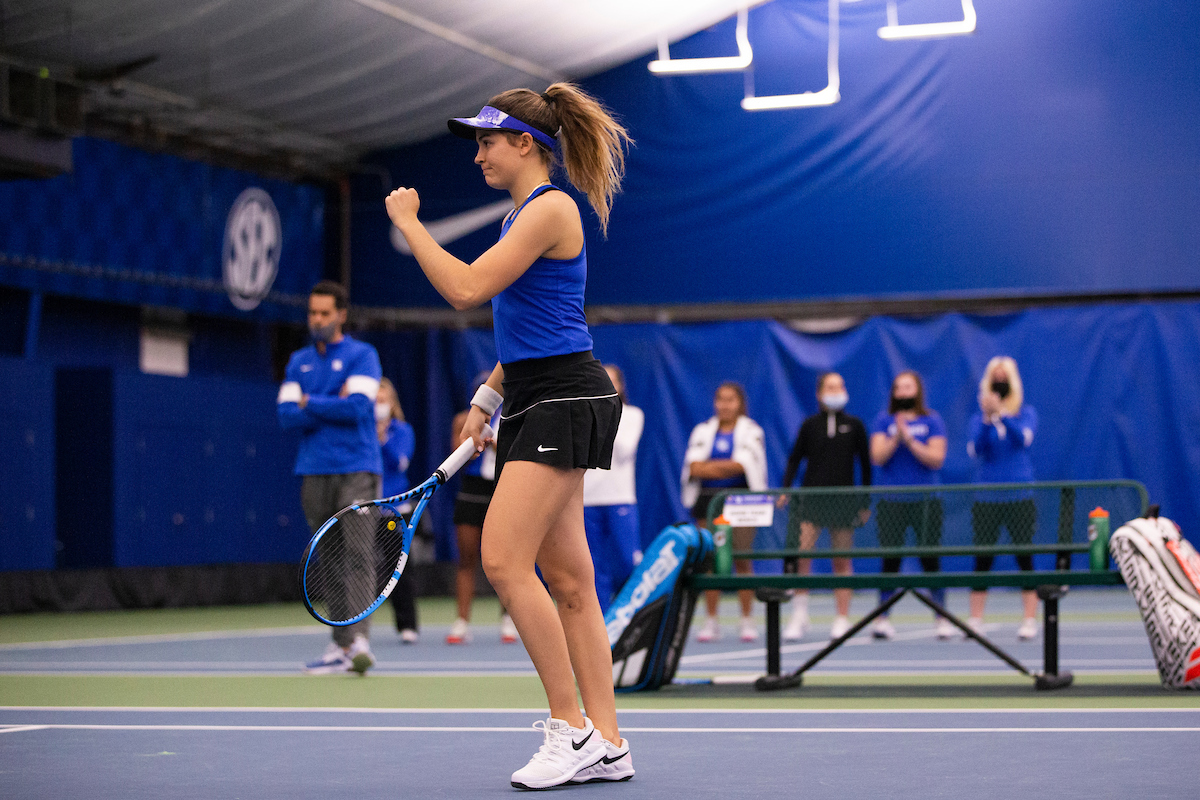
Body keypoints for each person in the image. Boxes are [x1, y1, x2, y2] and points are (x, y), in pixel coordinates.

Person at [385, 82, 632, 789]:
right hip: (535, 394)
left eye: (486, 141)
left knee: (501, 560)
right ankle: (609, 743)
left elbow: (466, 290)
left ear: (526, 143)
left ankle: (571, 729)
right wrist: (489, 397)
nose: (478, 156)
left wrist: (409, 222)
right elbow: (531, 323)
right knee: (571, 581)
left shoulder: (550, 208)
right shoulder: (528, 214)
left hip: (562, 397)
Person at [277, 280, 382, 675]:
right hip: (312, 471)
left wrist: (309, 401)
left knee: (358, 556)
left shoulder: (363, 355)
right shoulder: (297, 361)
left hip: (356, 469)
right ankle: (339, 646)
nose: (316, 319)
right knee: (330, 558)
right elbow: (286, 415)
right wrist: (328, 403)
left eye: (324, 313)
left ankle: (360, 642)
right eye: (312, 312)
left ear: (341, 315)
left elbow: (357, 408)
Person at [779, 372, 872, 641]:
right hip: (811, 500)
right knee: (803, 554)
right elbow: (795, 459)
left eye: (840, 386)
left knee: (841, 559)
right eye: (830, 387)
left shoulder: (855, 426)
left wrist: (864, 502)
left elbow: (865, 466)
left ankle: (842, 618)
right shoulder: (809, 425)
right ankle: (799, 615)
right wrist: (786, 489)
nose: (836, 391)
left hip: (843, 501)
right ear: (819, 394)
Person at [869, 370, 953, 640]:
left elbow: (936, 458)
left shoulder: (932, 420)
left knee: (930, 560)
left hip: (926, 501)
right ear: (894, 393)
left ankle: (942, 617)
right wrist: (896, 436)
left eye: (908, 387)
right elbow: (877, 457)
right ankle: (882, 618)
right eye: (899, 388)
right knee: (890, 561)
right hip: (892, 501)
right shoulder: (884, 421)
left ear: (917, 391)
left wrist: (911, 440)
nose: (904, 392)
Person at [681, 382, 768, 643]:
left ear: (740, 403)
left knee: (741, 560)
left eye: (730, 400)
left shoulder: (752, 431)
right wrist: (728, 467)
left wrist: (716, 467)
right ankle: (710, 620)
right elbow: (694, 468)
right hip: (707, 502)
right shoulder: (702, 431)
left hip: (742, 503)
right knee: (709, 562)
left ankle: (747, 620)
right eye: (720, 399)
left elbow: (744, 465)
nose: (725, 405)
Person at [967, 355, 1040, 640]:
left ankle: (1030, 619)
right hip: (988, 497)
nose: (999, 382)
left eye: (1003, 376)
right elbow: (976, 450)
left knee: (1025, 555)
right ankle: (975, 619)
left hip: (1020, 494)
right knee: (982, 557)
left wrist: (1002, 416)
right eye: (994, 376)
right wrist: (988, 419)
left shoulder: (1026, 414)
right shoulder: (978, 420)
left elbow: (1023, 440)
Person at [447, 370, 519, 645]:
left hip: (503, 488)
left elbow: (514, 455)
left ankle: (508, 619)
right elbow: (458, 454)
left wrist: (494, 444)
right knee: (466, 559)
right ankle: (462, 622)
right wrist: (476, 441)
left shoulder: (514, 419)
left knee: (508, 560)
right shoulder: (463, 420)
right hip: (471, 491)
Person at [584, 364, 645, 613]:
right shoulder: (581, 414)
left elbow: (623, 452)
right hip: (586, 501)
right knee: (592, 568)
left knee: (626, 563)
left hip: (620, 499)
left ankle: (630, 615)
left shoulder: (633, 415)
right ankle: (602, 624)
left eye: (612, 382)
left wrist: (606, 412)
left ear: (620, 387)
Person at [377, 377, 420, 643]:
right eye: (374, 401)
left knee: (399, 568)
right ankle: (355, 631)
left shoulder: (402, 431)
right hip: (365, 509)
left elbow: (400, 463)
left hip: (397, 511)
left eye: (382, 401)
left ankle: (408, 626)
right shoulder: (360, 433)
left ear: (392, 404)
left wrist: (382, 437)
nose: (378, 406)